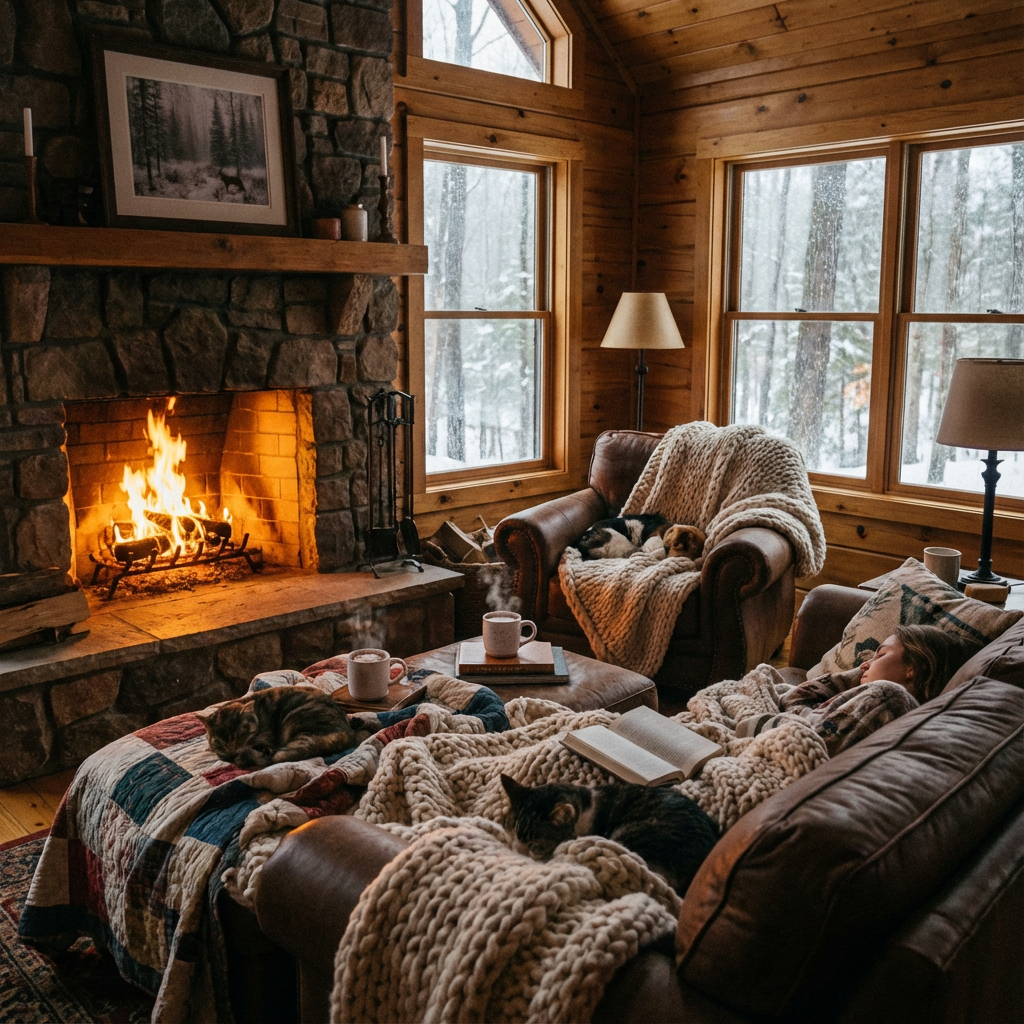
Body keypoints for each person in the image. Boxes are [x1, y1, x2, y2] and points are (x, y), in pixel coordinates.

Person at [736, 625, 973, 757]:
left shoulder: (888, 696)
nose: (864, 664)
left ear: (913, 668)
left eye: (880, 655)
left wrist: (853, 677)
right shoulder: (899, 707)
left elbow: (802, 724)